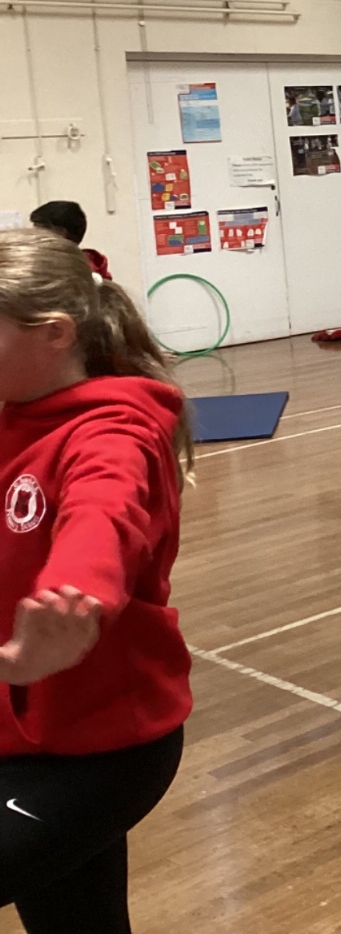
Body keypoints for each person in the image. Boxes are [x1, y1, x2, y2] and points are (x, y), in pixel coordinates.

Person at [0, 227, 192, 932]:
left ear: (54, 333)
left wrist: (73, 600)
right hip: (25, 727)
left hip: (100, 744)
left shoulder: (113, 432)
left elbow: (103, 517)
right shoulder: (15, 413)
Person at [29, 202, 111, 282]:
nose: (33, 235)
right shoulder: (90, 265)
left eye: (39, 230)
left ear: (60, 233)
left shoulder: (69, 274)